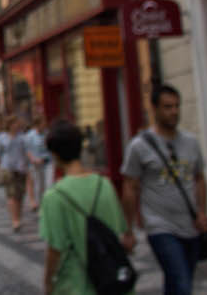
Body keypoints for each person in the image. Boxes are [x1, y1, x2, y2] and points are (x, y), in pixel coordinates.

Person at [121, 84, 207, 295]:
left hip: (190, 225)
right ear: (154, 109)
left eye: (177, 106)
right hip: (159, 226)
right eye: (168, 107)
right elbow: (130, 187)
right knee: (181, 283)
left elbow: (199, 179)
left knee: (178, 281)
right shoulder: (139, 146)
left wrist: (203, 212)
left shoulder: (190, 142)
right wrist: (128, 229)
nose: (174, 112)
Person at [38, 119, 130, 295]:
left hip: (76, 284)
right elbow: (119, 230)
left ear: (55, 154)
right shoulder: (105, 185)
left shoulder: (54, 196)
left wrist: (48, 282)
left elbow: (54, 249)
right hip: (111, 279)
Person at [0, 115, 29, 232]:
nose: (16, 126)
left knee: (20, 195)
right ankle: (15, 220)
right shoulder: (2, 137)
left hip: (21, 168)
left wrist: (29, 166)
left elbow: (26, 153)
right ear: (9, 125)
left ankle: (18, 216)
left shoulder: (23, 138)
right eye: (13, 123)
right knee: (11, 195)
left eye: (17, 123)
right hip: (7, 169)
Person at [25, 115, 52, 211]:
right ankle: (41, 207)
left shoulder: (47, 133)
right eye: (42, 123)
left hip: (48, 162)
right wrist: (33, 159)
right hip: (36, 164)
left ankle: (48, 206)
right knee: (39, 186)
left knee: (49, 184)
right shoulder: (30, 136)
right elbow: (27, 150)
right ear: (37, 124)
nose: (44, 125)